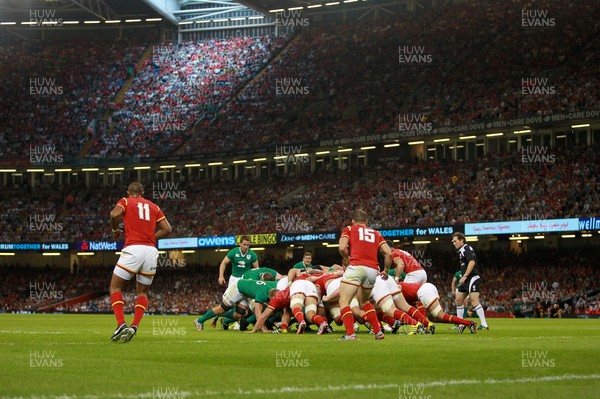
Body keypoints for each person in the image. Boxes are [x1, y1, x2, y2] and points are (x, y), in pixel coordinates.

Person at [108, 182, 172, 343]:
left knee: (115, 287)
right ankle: (134, 326)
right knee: (142, 292)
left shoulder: (125, 201)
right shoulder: (154, 206)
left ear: (128, 192)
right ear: (142, 192)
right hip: (150, 251)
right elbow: (167, 229)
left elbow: (114, 215)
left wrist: (115, 230)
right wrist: (151, 238)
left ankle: (121, 324)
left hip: (133, 249)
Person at [338, 208, 392, 340]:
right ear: (366, 221)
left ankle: (350, 334)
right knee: (364, 301)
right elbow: (388, 253)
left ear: (353, 220)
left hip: (356, 266)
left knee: (344, 301)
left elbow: (342, 247)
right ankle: (378, 332)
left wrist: (347, 258)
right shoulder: (376, 233)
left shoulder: (349, 229)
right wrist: (386, 270)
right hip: (373, 270)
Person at [399, 282, 476, 333]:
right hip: (427, 287)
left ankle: (469, 323)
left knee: (441, 315)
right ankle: (462, 322)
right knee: (433, 318)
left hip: (423, 291)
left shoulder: (394, 288)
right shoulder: (397, 289)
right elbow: (416, 308)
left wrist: (424, 324)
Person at [451, 232, 488, 332]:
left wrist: (465, 276)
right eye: (453, 241)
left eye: (455, 241)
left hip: (472, 278)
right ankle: (461, 323)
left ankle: (484, 324)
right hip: (465, 279)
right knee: (458, 300)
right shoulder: (461, 251)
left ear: (461, 240)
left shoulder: (466, 248)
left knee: (474, 300)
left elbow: (472, 262)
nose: (453, 243)